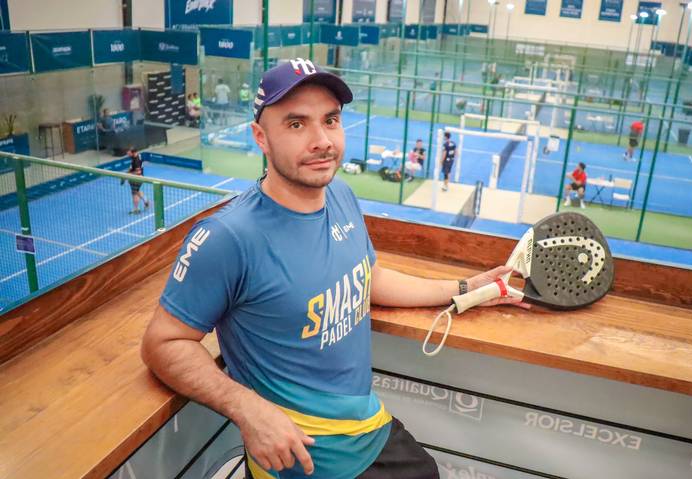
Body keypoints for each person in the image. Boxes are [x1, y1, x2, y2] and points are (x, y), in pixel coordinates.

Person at [141, 58, 526, 479]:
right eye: (296, 124)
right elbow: (163, 343)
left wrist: (466, 287)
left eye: (331, 120)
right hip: (302, 461)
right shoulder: (227, 237)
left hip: (368, 430)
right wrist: (248, 410)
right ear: (261, 137)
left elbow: (370, 277)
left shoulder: (339, 194)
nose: (322, 140)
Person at [123, 148, 150, 214]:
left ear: (133, 152)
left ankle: (136, 209)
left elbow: (138, 172)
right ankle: (146, 201)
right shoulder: (137, 156)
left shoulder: (136, 160)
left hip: (136, 179)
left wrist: (127, 175)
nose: (128, 155)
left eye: (129, 154)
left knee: (134, 193)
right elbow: (132, 168)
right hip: (138, 178)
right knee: (137, 191)